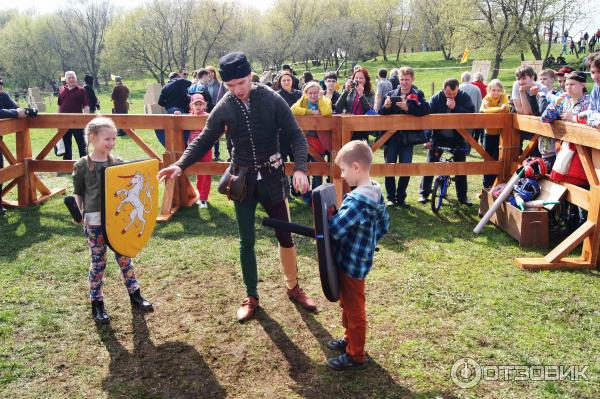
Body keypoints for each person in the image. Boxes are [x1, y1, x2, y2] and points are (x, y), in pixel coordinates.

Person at [158, 52, 316, 322]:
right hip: (242, 181)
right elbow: (205, 138)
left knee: (285, 236)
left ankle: (293, 287)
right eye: (231, 86)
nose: (238, 90)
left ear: (251, 76)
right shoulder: (226, 104)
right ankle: (251, 296)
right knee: (246, 241)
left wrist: (300, 167)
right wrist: (181, 165)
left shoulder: (272, 99)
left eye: (242, 83)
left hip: (273, 180)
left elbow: (297, 137)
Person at [72, 117, 153, 325]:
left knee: (125, 258)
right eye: (107, 138)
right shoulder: (82, 165)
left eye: (113, 138)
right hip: (94, 222)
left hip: (116, 223)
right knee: (98, 262)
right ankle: (97, 303)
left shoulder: (118, 164)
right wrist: (77, 213)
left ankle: (135, 295)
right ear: (92, 138)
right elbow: (78, 193)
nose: (111, 142)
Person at [326, 140, 390, 371]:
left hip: (351, 263)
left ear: (355, 167)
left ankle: (356, 355)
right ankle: (349, 338)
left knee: (354, 309)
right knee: (348, 303)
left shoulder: (355, 201)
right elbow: (384, 224)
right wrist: (370, 241)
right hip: (362, 259)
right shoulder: (375, 190)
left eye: (343, 170)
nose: (342, 176)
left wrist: (328, 216)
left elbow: (335, 230)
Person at [379, 66, 431, 208]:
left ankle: (401, 197)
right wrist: (386, 106)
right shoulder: (390, 93)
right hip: (391, 138)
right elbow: (381, 113)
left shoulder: (418, 93)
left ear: (412, 79)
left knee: (406, 168)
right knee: (389, 167)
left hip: (408, 138)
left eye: (407, 80)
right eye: (402, 79)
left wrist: (408, 108)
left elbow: (426, 109)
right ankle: (391, 197)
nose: (404, 82)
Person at [419, 78, 475, 206]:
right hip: (439, 137)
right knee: (430, 163)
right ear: (443, 89)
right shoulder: (435, 99)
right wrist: (428, 139)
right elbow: (426, 120)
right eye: (448, 94)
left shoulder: (464, 97)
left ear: (458, 89)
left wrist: (456, 107)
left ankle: (462, 197)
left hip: (458, 137)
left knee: (460, 167)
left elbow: (471, 113)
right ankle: (423, 193)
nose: (451, 96)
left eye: (454, 94)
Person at [291, 81, 333, 204]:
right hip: (305, 140)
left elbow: (327, 112)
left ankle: (317, 195)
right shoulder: (303, 101)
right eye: (310, 93)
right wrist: (311, 112)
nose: (313, 95)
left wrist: (321, 99)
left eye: (316, 93)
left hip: (321, 140)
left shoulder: (325, 100)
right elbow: (293, 109)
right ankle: (306, 194)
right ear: (306, 93)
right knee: (305, 167)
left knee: (317, 169)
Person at [0, 80, 26, 216]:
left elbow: (16, 108)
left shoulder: (3, 95)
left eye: (1, 85)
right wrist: (15, 113)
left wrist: (24, 111)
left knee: (1, 171)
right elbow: (14, 111)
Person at [480, 79, 510, 188]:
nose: (496, 93)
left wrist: (491, 109)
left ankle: (495, 185)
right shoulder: (486, 98)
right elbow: (483, 110)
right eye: (493, 90)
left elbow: (506, 109)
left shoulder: (503, 97)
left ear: (501, 91)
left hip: (500, 134)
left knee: (498, 159)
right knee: (488, 159)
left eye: (498, 90)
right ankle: (486, 185)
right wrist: (499, 109)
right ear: (489, 90)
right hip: (488, 134)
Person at [335, 67, 375, 141]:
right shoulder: (349, 91)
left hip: (362, 127)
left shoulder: (370, 93)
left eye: (361, 78)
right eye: (356, 77)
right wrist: (345, 90)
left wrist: (361, 95)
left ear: (366, 80)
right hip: (347, 125)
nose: (358, 80)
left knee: (361, 150)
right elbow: (338, 107)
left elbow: (369, 110)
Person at [187, 94, 212, 209]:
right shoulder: (188, 116)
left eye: (200, 104)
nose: (198, 106)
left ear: (204, 105)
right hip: (193, 148)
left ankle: (203, 198)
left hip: (205, 148)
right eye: (195, 104)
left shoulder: (208, 116)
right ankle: (200, 194)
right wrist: (176, 113)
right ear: (191, 105)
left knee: (205, 172)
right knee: (198, 172)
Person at [58, 71, 90, 160]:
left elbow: (86, 106)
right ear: (66, 79)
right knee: (66, 144)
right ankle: (66, 165)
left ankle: (85, 164)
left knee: (82, 144)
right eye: (69, 78)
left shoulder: (82, 90)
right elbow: (59, 106)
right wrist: (57, 120)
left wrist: (85, 119)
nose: (71, 79)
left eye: (73, 77)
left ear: (75, 78)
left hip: (78, 122)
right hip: (64, 122)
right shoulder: (61, 90)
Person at [156, 72, 192, 146]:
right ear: (177, 77)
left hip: (170, 110)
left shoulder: (165, 87)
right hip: (182, 109)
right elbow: (189, 83)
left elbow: (160, 102)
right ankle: (184, 146)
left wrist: (168, 105)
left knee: (173, 129)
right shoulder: (180, 81)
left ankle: (171, 146)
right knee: (184, 128)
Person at [459, 72, 483, 145]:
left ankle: (460, 148)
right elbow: (480, 103)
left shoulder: (459, 87)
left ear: (462, 79)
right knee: (469, 134)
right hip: (473, 114)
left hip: (459, 115)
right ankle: (467, 148)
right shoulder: (476, 88)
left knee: (460, 133)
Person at [580, 53, 600, 129]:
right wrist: (594, 122)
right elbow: (590, 112)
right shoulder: (596, 88)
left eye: (599, 71)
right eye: (593, 72)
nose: (595, 76)